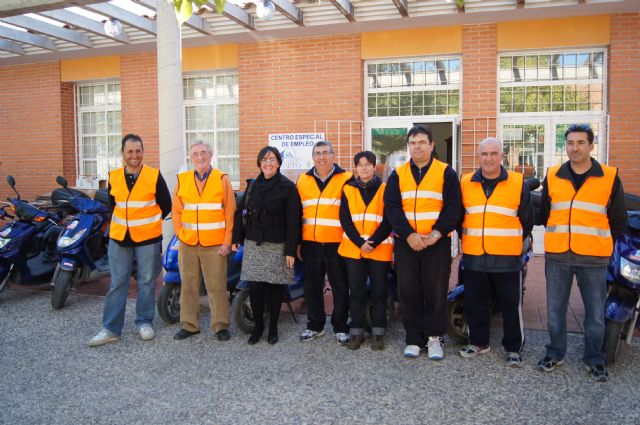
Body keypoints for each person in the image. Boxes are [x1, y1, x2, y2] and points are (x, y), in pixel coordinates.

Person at [538, 124, 626, 382]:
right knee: (555, 310)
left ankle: (594, 358)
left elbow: (618, 219)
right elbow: (545, 214)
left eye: (580, 143)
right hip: (558, 256)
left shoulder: (609, 176)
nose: (574, 148)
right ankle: (555, 352)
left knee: (595, 314)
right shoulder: (553, 175)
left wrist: (600, 245)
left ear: (591, 146)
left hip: (593, 258)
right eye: (570, 143)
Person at [384, 124, 461, 360]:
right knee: (409, 292)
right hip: (407, 244)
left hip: (436, 244)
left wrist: (434, 235)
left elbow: (453, 208)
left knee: (435, 291)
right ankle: (414, 339)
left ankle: (435, 338)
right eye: (413, 142)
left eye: (422, 142)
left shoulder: (445, 172)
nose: (417, 146)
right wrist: (410, 236)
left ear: (431, 145)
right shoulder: (398, 174)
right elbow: (393, 208)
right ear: (409, 146)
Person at [89, 134, 171, 347]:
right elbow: (113, 204)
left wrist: (149, 224)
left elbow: (166, 204)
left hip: (148, 239)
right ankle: (111, 328)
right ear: (123, 154)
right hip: (119, 238)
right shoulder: (114, 176)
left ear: (143, 152)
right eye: (130, 151)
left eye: (138, 151)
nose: (134, 155)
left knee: (146, 281)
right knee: (118, 283)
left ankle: (144, 322)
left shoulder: (154, 175)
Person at [457, 137, 533, 367]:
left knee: (510, 304)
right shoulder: (465, 182)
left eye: (493, 153)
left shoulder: (518, 182)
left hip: (507, 257)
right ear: (478, 157)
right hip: (474, 255)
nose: (488, 158)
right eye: (484, 154)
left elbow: (527, 220)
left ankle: (513, 348)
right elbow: (459, 218)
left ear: (502, 156)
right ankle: (478, 342)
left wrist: (510, 243)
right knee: (474, 301)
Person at [232, 146, 301, 345]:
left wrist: (290, 250)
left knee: (274, 288)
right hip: (254, 243)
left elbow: (293, 221)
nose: (268, 163)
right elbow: (241, 212)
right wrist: (237, 238)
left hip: (277, 244)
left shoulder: (288, 188)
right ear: (259, 163)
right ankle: (258, 328)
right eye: (264, 159)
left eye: (272, 159)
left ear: (279, 163)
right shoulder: (253, 185)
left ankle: (272, 328)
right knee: (255, 287)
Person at [172, 141, 236, 342]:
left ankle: (220, 326)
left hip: (215, 244)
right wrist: (180, 233)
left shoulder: (221, 179)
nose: (200, 157)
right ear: (190, 157)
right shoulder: (182, 179)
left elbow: (230, 212)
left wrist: (228, 240)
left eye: (204, 153)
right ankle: (190, 325)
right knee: (188, 286)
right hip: (188, 243)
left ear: (211, 155)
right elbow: (176, 211)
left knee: (216, 286)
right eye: (195, 154)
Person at [297, 141, 353, 345]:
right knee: (312, 286)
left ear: (333, 156)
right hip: (310, 243)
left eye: (325, 153)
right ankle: (315, 326)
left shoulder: (347, 178)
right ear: (313, 157)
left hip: (337, 243)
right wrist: (297, 242)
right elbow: (297, 213)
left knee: (339, 286)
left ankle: (340, 327)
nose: (321, 157)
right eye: (317, 153)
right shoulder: (303, 179)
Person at [338, 151, 393, 351]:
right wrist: (360, 243)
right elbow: (345, 220)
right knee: (357, 292)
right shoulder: (347, 190)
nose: (364, 168)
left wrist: (372, 242)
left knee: (379, 292)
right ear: (355, 168)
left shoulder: (385, 189)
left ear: (374, 166)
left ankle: (378, 333)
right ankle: (357, 332)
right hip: (354, 250)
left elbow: (389, 220)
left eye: (368, 164)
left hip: (379, 249)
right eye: (360, 165)